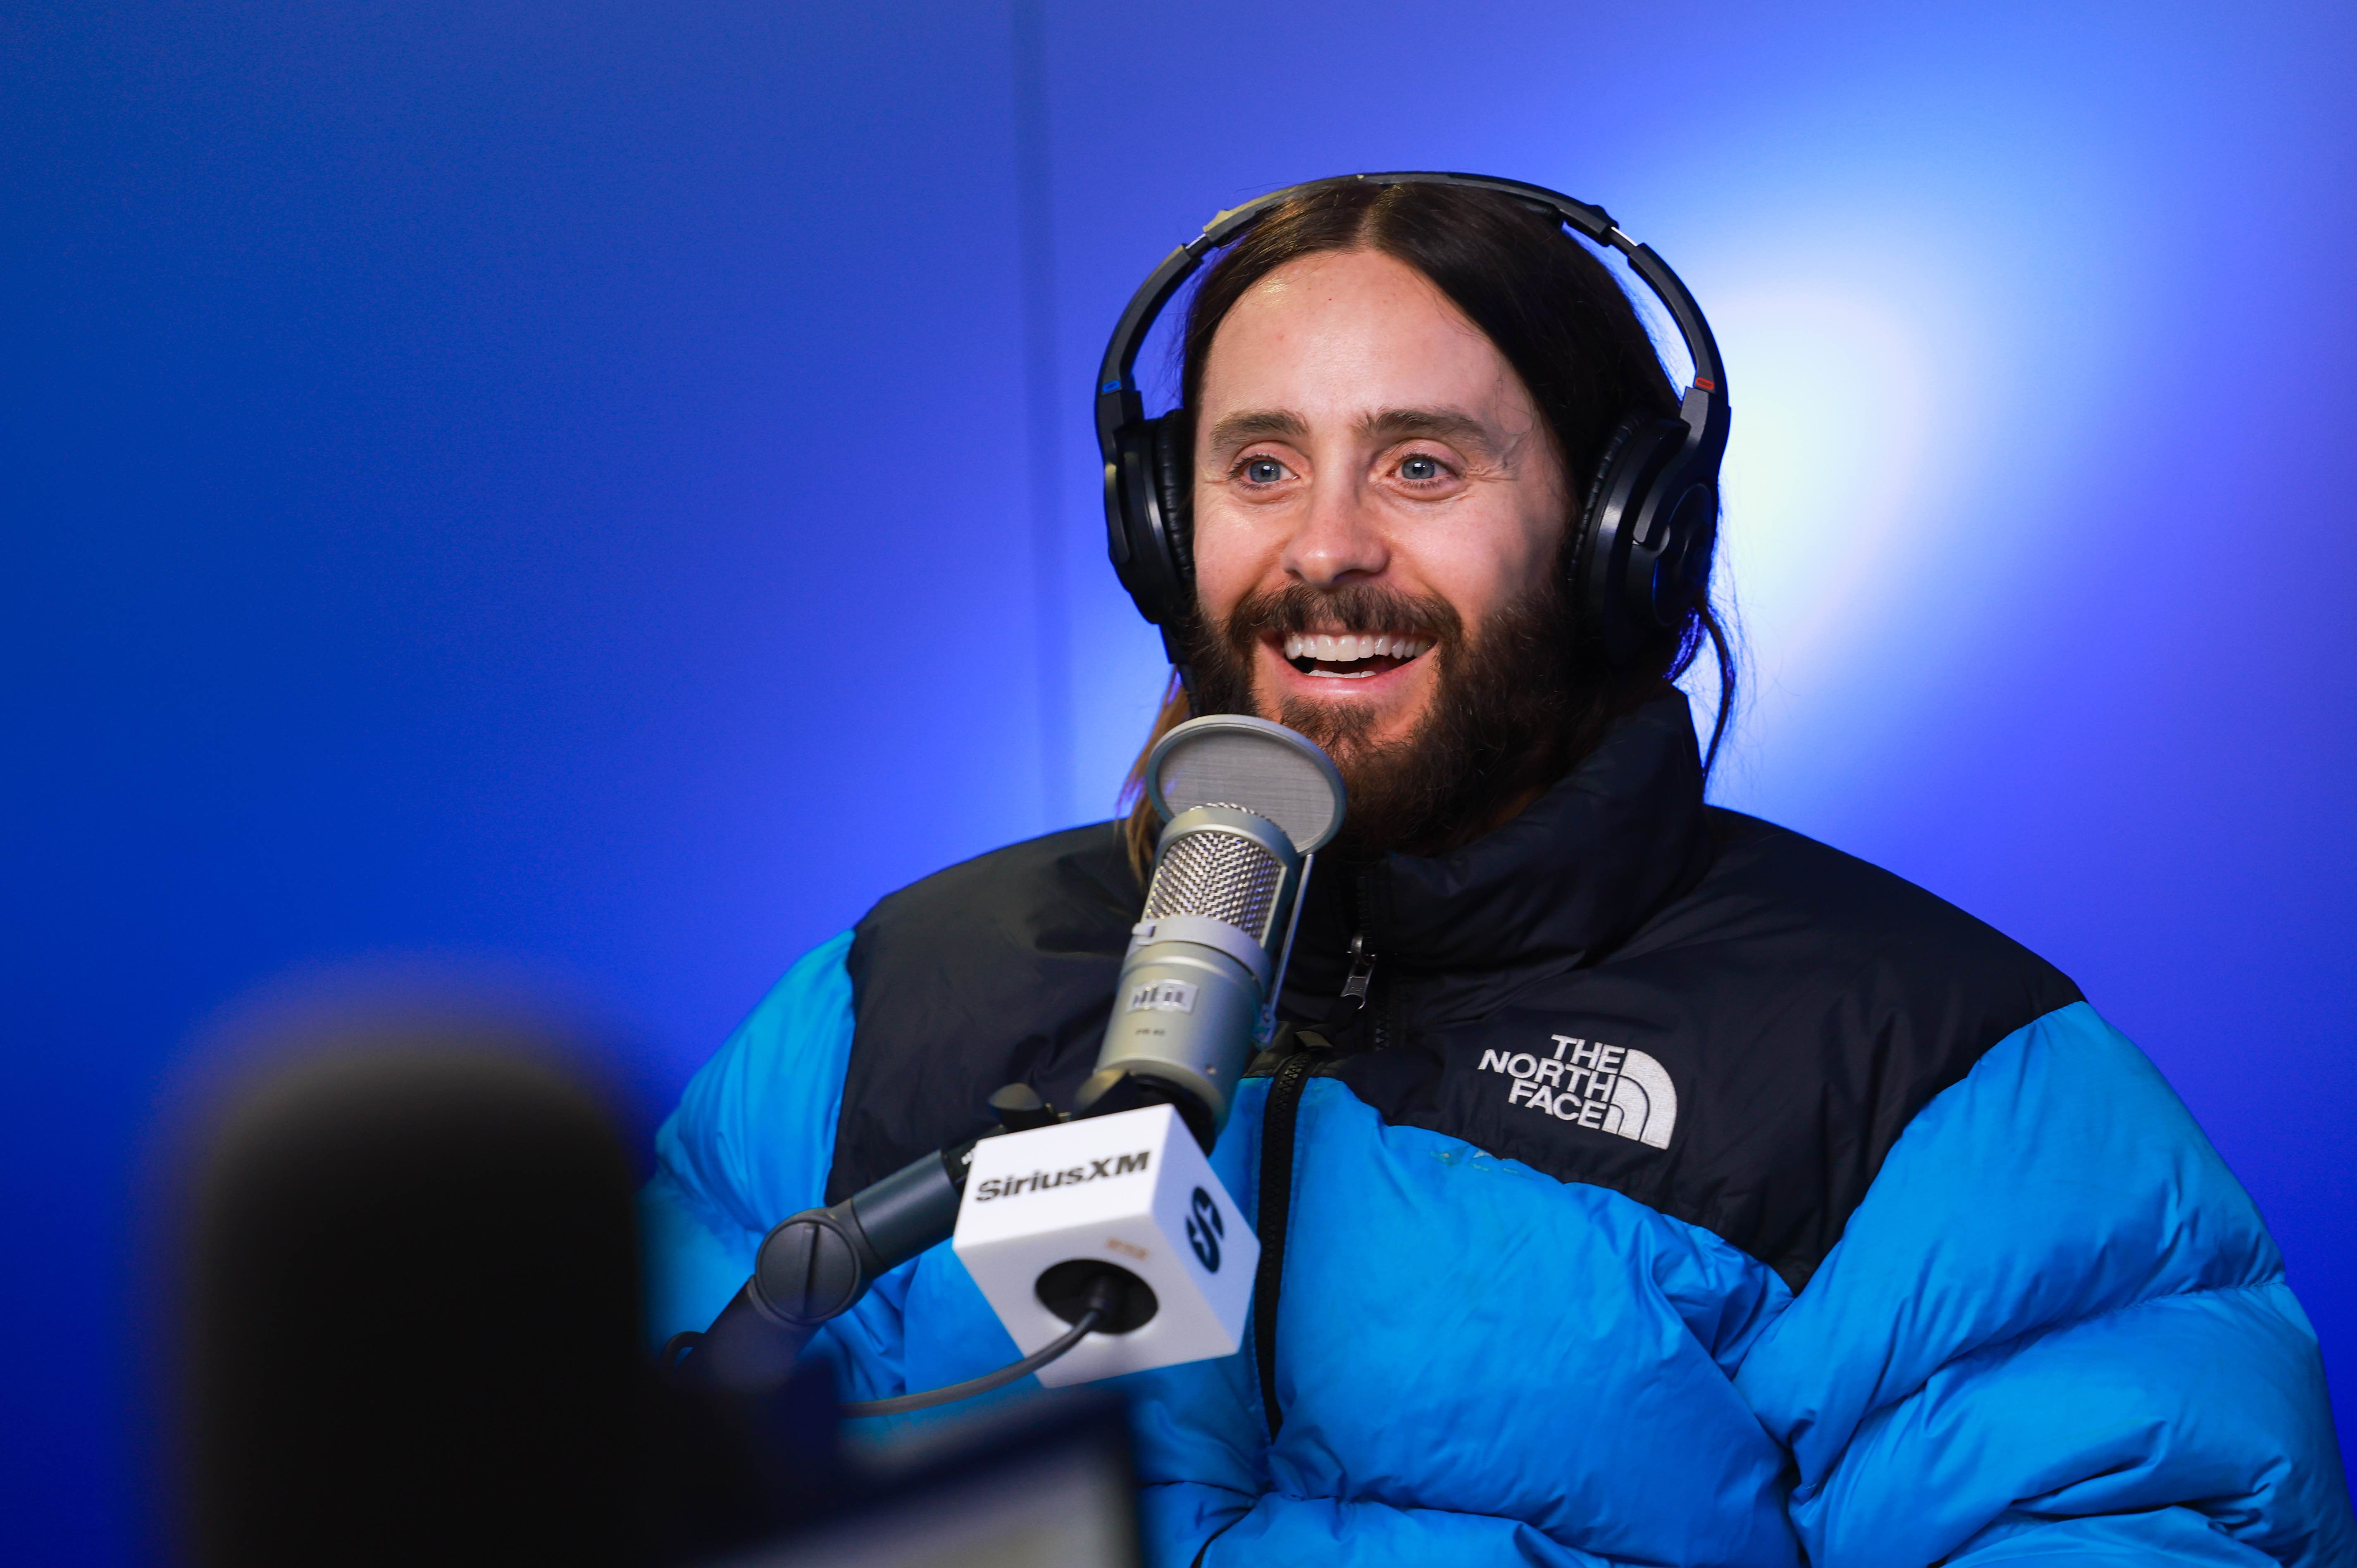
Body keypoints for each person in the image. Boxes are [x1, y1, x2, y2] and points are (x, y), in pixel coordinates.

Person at [640, 175, 2353, 1566]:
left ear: (1625, 535)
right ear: (1163, 530)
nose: (1323, 548)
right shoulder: (909, 990)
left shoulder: (1919, 1070)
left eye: (1422, 464)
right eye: (1257, 466)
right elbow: (627, 1451)